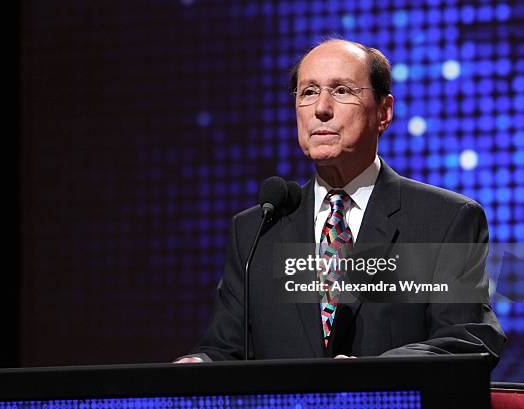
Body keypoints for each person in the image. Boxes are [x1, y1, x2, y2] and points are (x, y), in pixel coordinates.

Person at [176, 39, 506, 364]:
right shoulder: (257, 229)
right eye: (308, 92)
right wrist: (198, 364)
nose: (321, 108)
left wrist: (368, 378)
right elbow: (226, 349)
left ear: (384, 112)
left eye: (342, 90)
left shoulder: (444, 220)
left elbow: (466, 341)